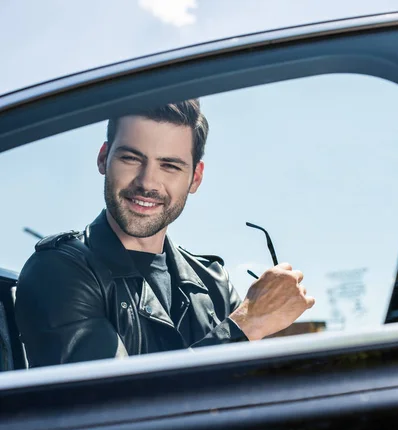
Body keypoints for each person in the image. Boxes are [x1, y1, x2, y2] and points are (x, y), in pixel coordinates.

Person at [15, 99, 315, 367]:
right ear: (103, 158)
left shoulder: (213, 283)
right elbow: (111, 410)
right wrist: (247, 324)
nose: (148, 182)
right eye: (131, 158)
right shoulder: (58, 271)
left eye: (170, 166)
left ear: (195, 178)